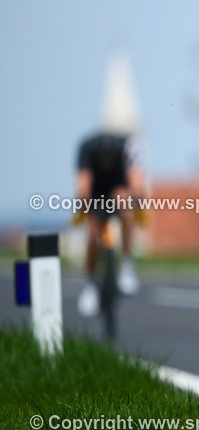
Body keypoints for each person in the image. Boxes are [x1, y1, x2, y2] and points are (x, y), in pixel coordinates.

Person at [75, 130, 145, 317]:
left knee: (126, 208)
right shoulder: (88, 147)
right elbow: (84, 186)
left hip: (118, 187)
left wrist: (138, 208)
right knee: (92, 232)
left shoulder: (127, 147)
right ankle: (90, 283)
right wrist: (83, 211)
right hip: (96, 192)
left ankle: (127, 264)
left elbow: (136, 181)